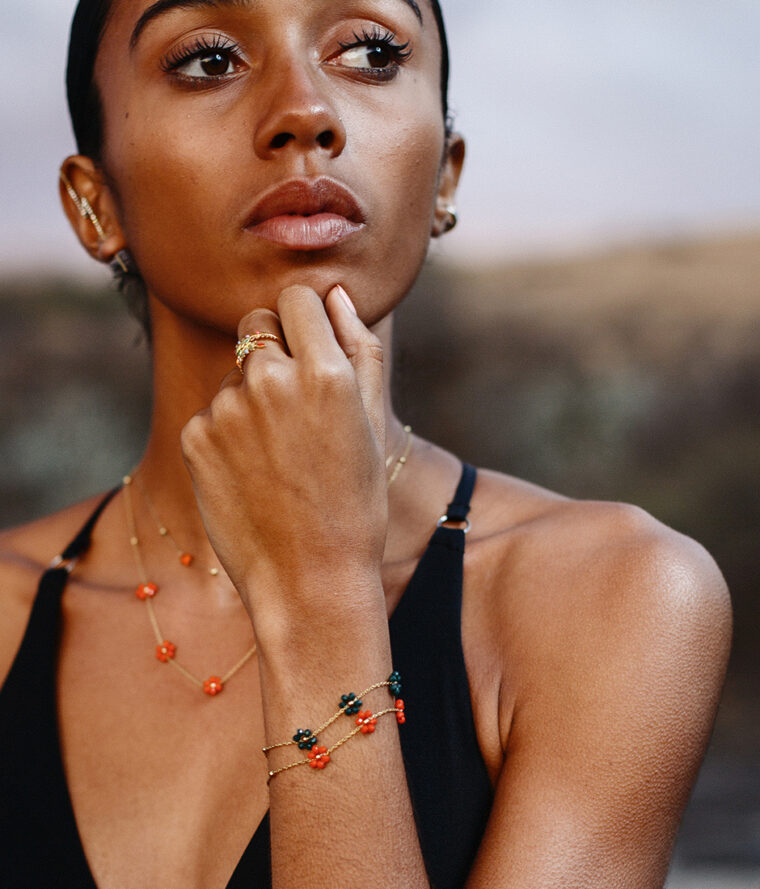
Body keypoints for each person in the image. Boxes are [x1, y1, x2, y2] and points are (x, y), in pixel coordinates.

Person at [0, 1, 732, 887]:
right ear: (95, 201)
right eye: (206, 60)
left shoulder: (617, 599)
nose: (303, 110)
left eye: (372, 51)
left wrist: (319, 595)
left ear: (447, 178)